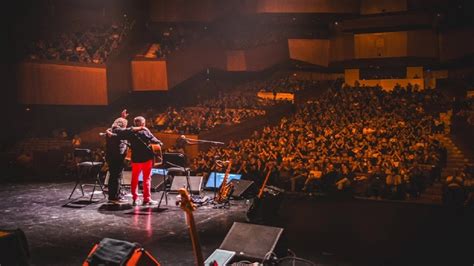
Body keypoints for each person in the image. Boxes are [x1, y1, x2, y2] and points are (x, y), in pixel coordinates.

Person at [113, 116, 163, 206]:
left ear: (135, 124)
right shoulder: (145, 131)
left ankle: (135, 199)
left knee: (134, 179)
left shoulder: (130, 133)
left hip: (135, 159)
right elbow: (155, 140)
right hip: (146, 159)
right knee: (146, 179)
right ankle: (147, 199)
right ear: (143, 124)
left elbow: (118, 132)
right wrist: (160, 143)